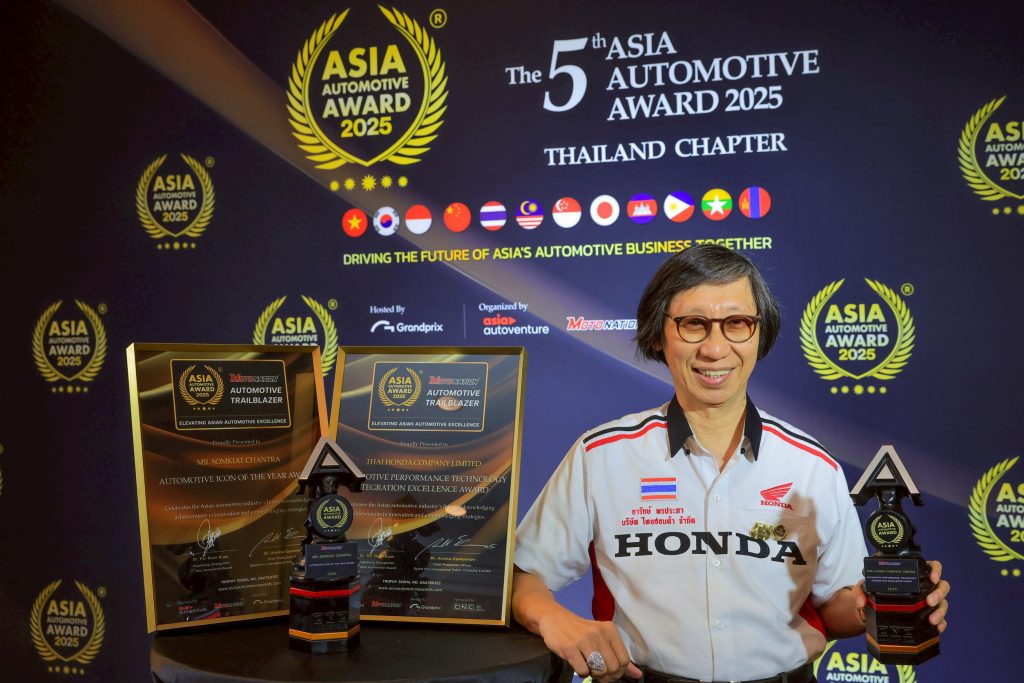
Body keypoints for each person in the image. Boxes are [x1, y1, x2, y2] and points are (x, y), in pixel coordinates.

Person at [512, 245, 950, 683]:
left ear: (760, 334)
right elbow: (521, 575)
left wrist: (874, 604)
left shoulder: (812, 465)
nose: (715, 348)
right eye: (693, 324)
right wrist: (554, 617)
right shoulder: (602, 455)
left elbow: (835, 608)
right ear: (659, 335)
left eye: (737, 323)